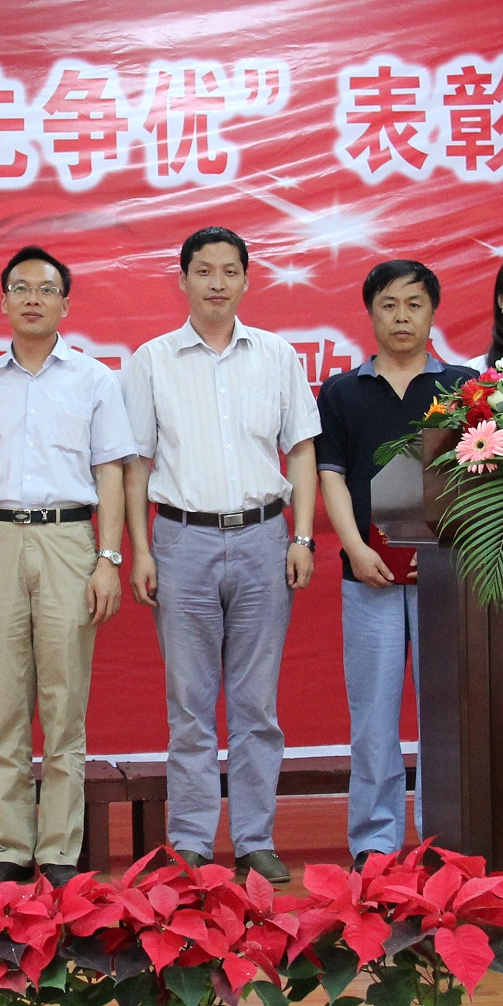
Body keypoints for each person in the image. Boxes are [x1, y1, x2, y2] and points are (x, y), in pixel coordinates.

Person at [120, 225, 319, 880]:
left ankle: (256, 838)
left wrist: (301, 536)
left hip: (265, 538)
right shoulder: (151, 361)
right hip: (182, 541)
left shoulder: (277, 355)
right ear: (183, 280)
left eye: (229, 271)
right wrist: (140, 551)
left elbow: (301, 450)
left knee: (257, 704)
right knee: (190, 703)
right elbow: (136, 464)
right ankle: (193, 841)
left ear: (246, 280)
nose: (216, 283)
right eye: (203, 271)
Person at [0, 246, 130, 886]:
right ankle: (8, 847)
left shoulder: (94, 379)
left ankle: (59, 849)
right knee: (3, 704)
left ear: (65, 303)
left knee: (63, 705)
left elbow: (110, 473)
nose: (33, 298)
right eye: (21, 288)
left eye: (46, 289)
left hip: (67, 540)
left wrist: (107, 559)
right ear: (3, 301)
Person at [316, 258, 472, 863]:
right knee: (374, 716)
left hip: (447, 581)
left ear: (433, 312)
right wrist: (355, 549)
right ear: (370, 313)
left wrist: (453, 553)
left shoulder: (465, 388)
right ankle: (375, 842)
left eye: (414, 304)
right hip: (369, 576)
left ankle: (445, 837)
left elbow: (482, 478)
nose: (401, 317)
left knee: (447, 716)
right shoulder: (342, 392)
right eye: (389, 305)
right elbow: (330, 474)